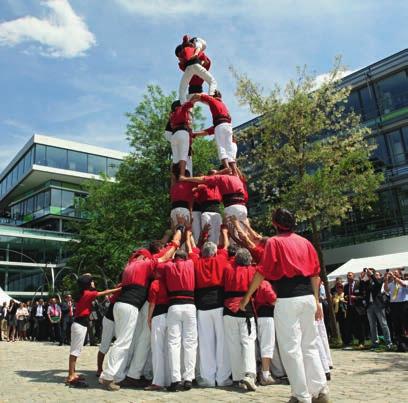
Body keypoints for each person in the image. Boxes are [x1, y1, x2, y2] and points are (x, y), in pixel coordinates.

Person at [240, 208, 329, 403]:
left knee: (291, 348)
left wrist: (247, 296)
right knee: (310, 345)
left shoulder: (274, 242)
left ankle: (301, 394)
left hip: (288, 298)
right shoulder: (305, 242)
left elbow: (262, 271)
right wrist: (316, 300)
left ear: (275, 224)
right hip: (307, 297)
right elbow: (315, 273)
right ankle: (320, 390)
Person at [99, 229, 182, 391]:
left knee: (124, 341)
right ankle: (109, 376)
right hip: (131, 307)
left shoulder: (130, 265)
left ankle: (116, 374)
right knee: (123, 342)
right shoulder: (146, 263)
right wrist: (176, 241)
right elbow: (164, 257)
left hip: (120, 305)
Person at [186, 227, 232, 388]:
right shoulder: (220, 259)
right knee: (222, 342)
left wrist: (188, 236)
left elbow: (191, 250)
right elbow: (225, 247)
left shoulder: (196, 262)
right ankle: (223, 378)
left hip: (202, 306)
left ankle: (207, 379)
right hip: (219, 304)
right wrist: (225, 233)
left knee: (205, 344)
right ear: (214, 252)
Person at [67, 274, 121, 388]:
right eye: (92, 281)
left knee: (76, 350)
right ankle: (71, 375)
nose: (93, 283)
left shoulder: (83, 293)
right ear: (88, 284)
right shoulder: (88, 294)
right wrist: (119, 289)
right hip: (80, 324)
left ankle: (72, 373)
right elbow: (105, 292)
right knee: (75, 351)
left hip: (79, 323)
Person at [158, 247, 197, 392]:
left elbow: (161, 261)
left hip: (173, 306)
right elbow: (194, 252)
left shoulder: (168, 266)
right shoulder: (191, 264)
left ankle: (175, 379)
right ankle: (188, 378)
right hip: (190, 306)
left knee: (173, 343)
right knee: (190, 343)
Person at [223, 247, 257, 392]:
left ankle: (237, 377)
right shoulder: (252, 271)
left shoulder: (227, 268)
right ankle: (249, 374)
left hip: (228, 309)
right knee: (248, 342)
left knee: (233, 344)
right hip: (245, 308)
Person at [180, 171, 248, 227]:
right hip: (208, 212)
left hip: (223, 212)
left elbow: (205, 179)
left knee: (229, 233)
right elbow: (193, 196)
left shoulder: (220, 183)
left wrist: (185, 179)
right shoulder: (203, 187)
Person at [194, 91, 237, 174]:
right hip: (228, 126)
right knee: (229, 149)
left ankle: (227, 168)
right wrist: (195, 134)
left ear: (213, 95)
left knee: (221, 147)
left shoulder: (212, 100)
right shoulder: (225, 107)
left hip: (220, 125)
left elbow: (198, 95)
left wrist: (191, 102)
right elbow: (210, 130)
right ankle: (235, 172)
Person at [145, 274, 170, 391]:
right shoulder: (171, 280)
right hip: (171, 315)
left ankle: (158, 381)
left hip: (158, 315)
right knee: (168, 349)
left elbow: (152, 303)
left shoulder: (155, 283)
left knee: (157, 350)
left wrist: (149, 318)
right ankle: (169, 380)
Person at [176, 36, 217, 104]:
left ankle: (184, 108)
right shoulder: (182, 64)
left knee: (182, 92)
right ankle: (213, 99)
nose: (180, 58)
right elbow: (205, 61)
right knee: (212, 82)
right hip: (193, 90)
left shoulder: (184, 61)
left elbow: (206, 61)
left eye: (180, 56)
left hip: (198, 90)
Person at [166, 96, 199, 179]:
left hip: (174, 136)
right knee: (183, 158)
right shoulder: (183, 109)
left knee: (175, 160)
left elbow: (168, 134)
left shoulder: (172, 116)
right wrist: (196, 97)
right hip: (182, 133)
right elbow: (190, 103)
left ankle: (174, 180)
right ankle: (182, 175)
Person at [362, 268, 392, 350]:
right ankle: (374, 343)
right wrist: (365, 276)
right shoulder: (368, 282)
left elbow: (378, 284)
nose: (370, 274)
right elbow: (363, 288)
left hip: (378, 305)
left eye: (374, 273)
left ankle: (388, 343)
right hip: (369, 306)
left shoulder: (380, 280)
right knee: (372, 325)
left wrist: (372, 275)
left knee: (383, 324)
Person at [254, 280, 277, 386]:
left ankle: (259, 373)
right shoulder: (264, 283)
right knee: (267, 346)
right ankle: (265, 375)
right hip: (267, 316)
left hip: (255, 316)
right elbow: (272, 299)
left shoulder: (252, 282)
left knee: (258, 347)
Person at [193, 176, 222, 244]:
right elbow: (194, 193)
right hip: (206, 213)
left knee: (218, 234)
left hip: (217, 213)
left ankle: (216, 252)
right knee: (208, 234)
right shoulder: (202, 186)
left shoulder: (219, 187)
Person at [384, 269, 408, 352]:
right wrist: (386, 280)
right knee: (397, 325)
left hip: (403, 305)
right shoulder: (391, 284)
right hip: (394, 305)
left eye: (395, 273)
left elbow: (404, 285)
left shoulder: (404, 281)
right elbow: (386, 290)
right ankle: (401, 345)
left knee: (405, 324)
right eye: (393, 273)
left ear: (400, 275)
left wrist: (394, 277)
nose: (393, 274)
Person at [343, 272, 366, 349]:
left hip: (358, 308)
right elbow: (345, 296)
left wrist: (355, 297)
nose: (348, 277)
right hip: (350, 308)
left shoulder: (359, 284)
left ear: (354, 277)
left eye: (350, 276)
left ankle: (361, 342)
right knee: (349, 326)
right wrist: (346, 297)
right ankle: (348, 342)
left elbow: (363, 296)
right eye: (347, 276)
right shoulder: (346, 286)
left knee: (360, 326)